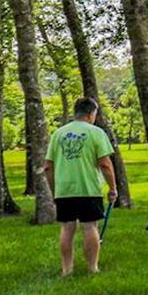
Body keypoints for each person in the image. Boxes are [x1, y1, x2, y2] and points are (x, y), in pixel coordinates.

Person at [45, 96, 117, 277]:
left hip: (64, 190)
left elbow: (47, 167)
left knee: (67, 228)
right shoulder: (96, 133)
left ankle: (66, 269)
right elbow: (105, 164)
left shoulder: (58, 134)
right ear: (92, 113)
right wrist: (113, 188)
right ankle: (92, 268)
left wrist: (55, 191)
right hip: (88, 188)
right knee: (89, 227)